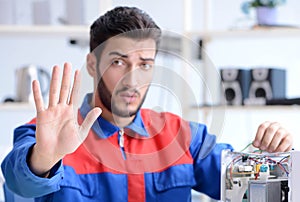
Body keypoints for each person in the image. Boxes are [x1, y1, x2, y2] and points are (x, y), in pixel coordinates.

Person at [1, 6, 293, 202]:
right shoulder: (48, 135)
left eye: (144, 64)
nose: (132, 80)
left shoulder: (185, 137)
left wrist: (275, 162)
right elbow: (20, 185)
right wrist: (43, 160)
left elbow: (258, 192)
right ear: (92, 64)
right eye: (118, 62)